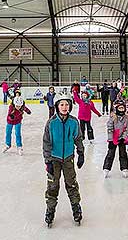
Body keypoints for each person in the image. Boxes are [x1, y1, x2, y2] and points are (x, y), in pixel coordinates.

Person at [43, 92, 85, 227]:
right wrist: (47, 160)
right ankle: (50, 210)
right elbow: (46, 142)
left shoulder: (74, 122)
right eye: (62, 104)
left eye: (67, 104)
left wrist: (81, 152)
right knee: (52, 186)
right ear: (57, 106)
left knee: (71, 184)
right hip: (53, 160)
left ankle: (76, 208)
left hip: (68, 158)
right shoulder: (51, 123)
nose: (64, 107)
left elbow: (78, 138)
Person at [103, 99, 128, 178]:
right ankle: (106, 169)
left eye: (122, 108)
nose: (121, 110)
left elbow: (127, 128)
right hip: (113, 138)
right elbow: (110, 128)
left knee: (123, 153)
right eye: (119, 108)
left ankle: (124, 168)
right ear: (116, 109)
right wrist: (111, 140)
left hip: (122, 138)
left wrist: (123, 137)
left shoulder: (126, 117)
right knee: (111, 154)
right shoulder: (113, 117)